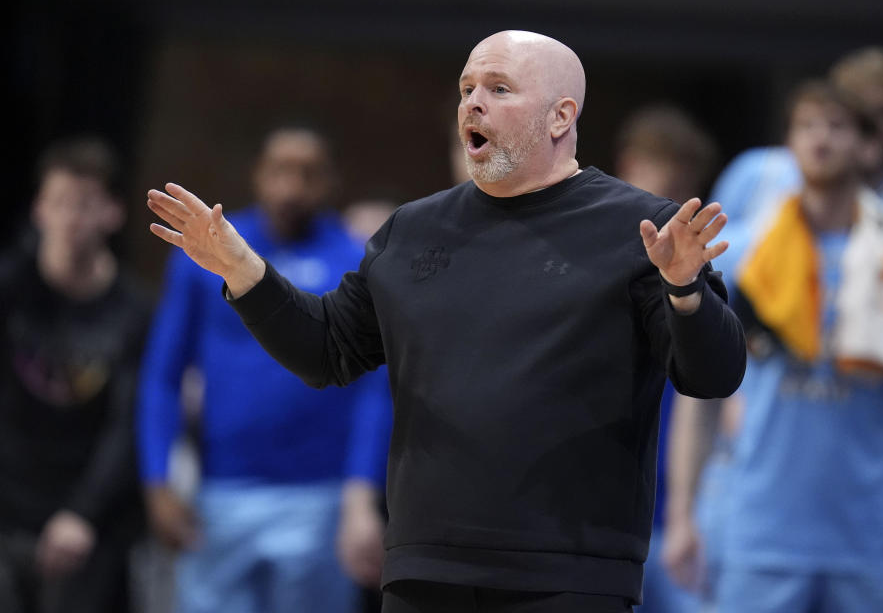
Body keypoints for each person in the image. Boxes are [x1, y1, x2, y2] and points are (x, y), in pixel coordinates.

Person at [145, 30, 746, 612]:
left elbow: (712, 375)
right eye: (466, 90)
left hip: (569, 572)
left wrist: (684, 290)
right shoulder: (413, 232)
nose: (473, 104)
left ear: (561, 117)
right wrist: (243, 269)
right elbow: (326, 349)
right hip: (424, 570)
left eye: (499, 88)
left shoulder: (642, 230)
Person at [684, 80, 883, 613]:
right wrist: (681, 516)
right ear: (788, 142)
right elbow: (702, 394)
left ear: (866, 144)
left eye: (837, 127)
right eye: (807, 127)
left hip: (865, 532)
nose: (821, 140)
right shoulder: (746, 258)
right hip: (759, 528)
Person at [137, 126, 392, 613]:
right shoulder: (205, 254)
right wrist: (157, 478)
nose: (292, 187)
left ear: (332, 182)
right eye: (280, 170)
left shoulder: (355, 259)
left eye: (309, 174)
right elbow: (162, 376)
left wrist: (360, 498)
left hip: (320, 497)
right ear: (257, 174)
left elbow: (375, 392)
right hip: (220, 494)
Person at [0, 137, 150, 613]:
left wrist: (84, 512)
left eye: (84, 205)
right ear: (39, 210)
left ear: (112, 213)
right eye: (59, 202)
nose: (70, 218)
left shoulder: (134, 311)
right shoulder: (9, 290)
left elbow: (129, 423)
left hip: (87, 523)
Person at [613, 104, 719, 613]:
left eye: (686, 179)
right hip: (605, 511)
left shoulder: (708, 264)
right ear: (630, 165)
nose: (674, 193)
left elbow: (710, 396)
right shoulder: (596, 253)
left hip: (685, 506)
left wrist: (686, 514)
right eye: (662, 170)